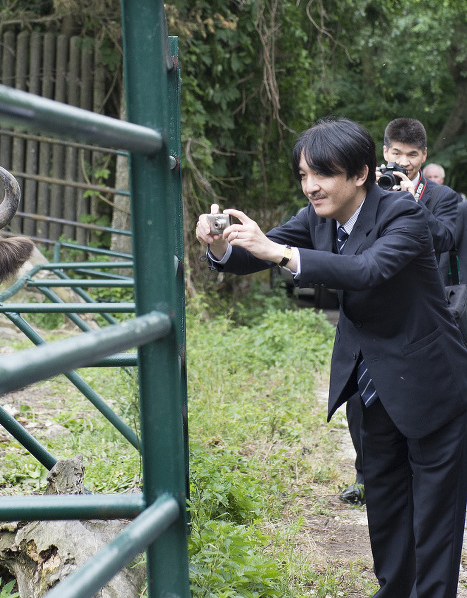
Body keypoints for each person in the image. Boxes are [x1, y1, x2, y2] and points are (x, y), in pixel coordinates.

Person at [196, 116, 467, 598]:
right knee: (383, 503)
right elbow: (257, 252)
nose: (311, 186)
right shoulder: (316, 218)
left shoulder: (404, 215)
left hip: (429, 380)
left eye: (322, 174)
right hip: (368, 382)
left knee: (435, 515)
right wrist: (221, 246)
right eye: (303, 175)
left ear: (361, 173)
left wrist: (278, 253)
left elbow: (367, 269)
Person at [340, 118, 461, 504]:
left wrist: (410, 201)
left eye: (412, 154)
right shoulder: (367, 191)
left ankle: (420, 474)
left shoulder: (445, 198)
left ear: (424, 156)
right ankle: (366, 474)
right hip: (377, 309)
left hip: (429, 313)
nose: (404, 161)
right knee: (363, 400)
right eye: (396, 153)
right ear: (385, 152)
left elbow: (445, 237)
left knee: (421, 398)